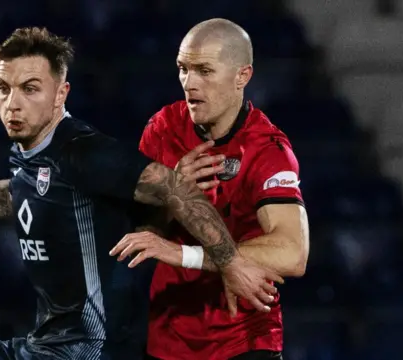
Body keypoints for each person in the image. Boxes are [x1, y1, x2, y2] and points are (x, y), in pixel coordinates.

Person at [0, 27, 281, 360]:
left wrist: (229, 263)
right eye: (2, 88)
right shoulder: (34, 155)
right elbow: (17, 193)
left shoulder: (83, 151)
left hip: (91, 350)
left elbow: (176, 189)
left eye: (30, 89)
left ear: (60, 94)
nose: (13, 103)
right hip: (42, 345)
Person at [110, 19, 310, 360]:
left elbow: (293, 253)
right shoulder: (162, 129)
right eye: (183, 69)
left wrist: (189, 256)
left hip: (245, 339)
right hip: (169, 336)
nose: (190, 83)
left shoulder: (267, 150)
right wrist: (173, 195)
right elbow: (137, 236)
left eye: (204, 70)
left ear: (242, 76)